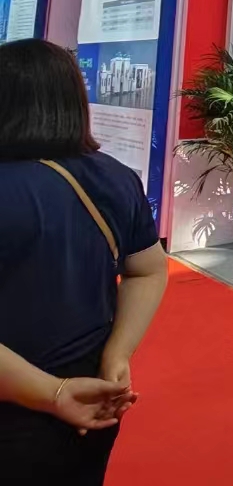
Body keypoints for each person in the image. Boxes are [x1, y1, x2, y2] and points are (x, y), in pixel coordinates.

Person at [0, 39, 169, 483]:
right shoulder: (116, 176)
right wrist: (118, 354)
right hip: (96, 396)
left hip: (21, 402)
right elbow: (149, 269)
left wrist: (53, 393)